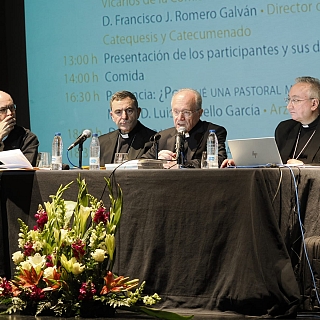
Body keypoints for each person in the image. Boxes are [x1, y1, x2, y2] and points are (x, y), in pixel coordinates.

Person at [221, 76, 320, 167]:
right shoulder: (285, 128)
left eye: (295, 100)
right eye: (289, 100)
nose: (289, 106)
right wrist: (242, 162)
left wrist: (305, 166)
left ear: (314, 104)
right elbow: (273, 162)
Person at [142, 88, 227, 168]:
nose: (180, 118)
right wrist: (158, 162)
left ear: (199, 113)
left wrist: (181, 165)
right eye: (176, 112)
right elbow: (141, 163)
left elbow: (220, 160)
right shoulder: (162, 137)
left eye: (186, 112)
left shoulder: (213, 133)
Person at [99, 90, 156, 164]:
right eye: (118, 112)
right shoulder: (102, 142)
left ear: (138, 112)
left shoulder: (153, 141)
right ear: (112, 116)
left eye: (129, 111)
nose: (124, 117)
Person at [0, 90, 39, 166]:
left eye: (12, 107)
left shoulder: (27, 138)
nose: (10, 113)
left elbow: (25, 171)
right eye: (3, 110)